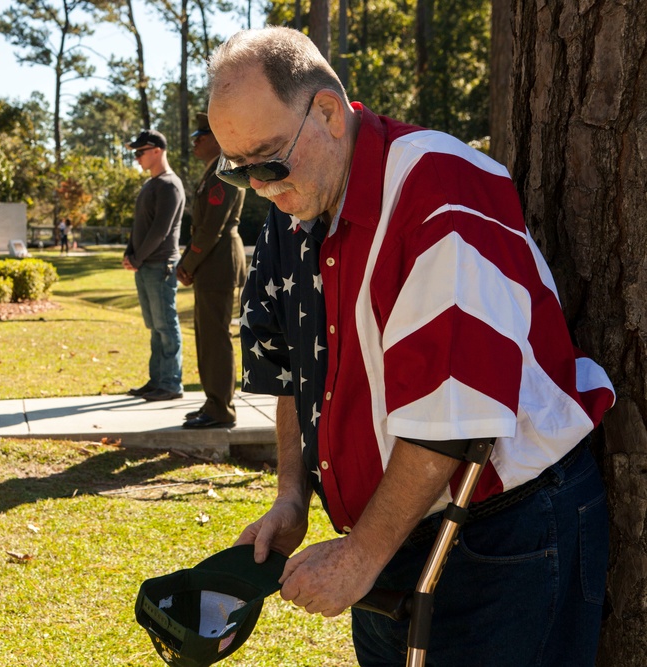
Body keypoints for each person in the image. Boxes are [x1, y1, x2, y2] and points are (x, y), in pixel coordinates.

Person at [207, 26, 616, 666]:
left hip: (503, 536)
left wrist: (362, 552)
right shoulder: (295, 204)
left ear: (328, 113)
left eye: (268, 160)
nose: (259, 187)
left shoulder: (439, 187)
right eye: (239, 173)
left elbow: (456, 416)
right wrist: (292, 494)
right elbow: (288, 368)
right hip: (392, 532)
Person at [176, 112, 247, 429]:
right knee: (206, 336)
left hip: (217, 263)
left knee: (216, 338)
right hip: (211, 264)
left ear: (217, 139)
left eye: (199, 137)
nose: (194, 142)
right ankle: (213, 401)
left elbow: (210, 229)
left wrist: (187, 262)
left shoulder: (224, 174)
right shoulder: (214, 172)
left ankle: (221, 408)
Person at [123, 129, 186, 402]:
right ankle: (157, 380)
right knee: (155, 327)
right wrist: (130, 253)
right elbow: (140, 226)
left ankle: (171, 384)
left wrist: (137, 258)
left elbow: (160, 230)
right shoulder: (151, 184)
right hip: (146, 266)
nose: (137, 158)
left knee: (166, 326)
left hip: (160, 265)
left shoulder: (170, 185)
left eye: (140, 152)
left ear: (157, 151)